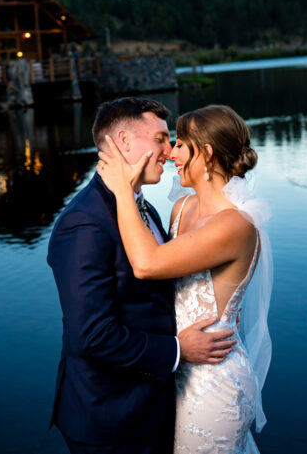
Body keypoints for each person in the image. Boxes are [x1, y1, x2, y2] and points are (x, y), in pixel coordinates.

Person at [47, 98, 237, 454]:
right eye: (161, 139)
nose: (169, 151)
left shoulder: (140, 206)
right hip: (111, 418)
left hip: (155, 405)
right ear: (124, 141)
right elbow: (91, 335)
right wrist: (179, 350)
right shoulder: (84, 223)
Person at [96, 104, 273, 454]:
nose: (170, 153)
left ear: (205, 153)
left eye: (179, 144)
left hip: (213, 376)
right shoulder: (182, 208)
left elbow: (147, 264)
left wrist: (120, 190)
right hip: (178, 367)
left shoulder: (235, 225)